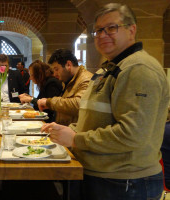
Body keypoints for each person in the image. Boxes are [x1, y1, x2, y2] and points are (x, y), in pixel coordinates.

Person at [41, 3, 170, 200]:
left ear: (131, 30)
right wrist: (69, 130)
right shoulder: (107, 69)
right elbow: (92, 117)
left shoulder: (139, 68)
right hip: (103, 175)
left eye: (111, 28)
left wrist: (75, 139)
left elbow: (132, 134)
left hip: (125, 181)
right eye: (98, 30)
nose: (102, 35)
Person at [37, 49, 93, 126]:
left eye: (56, 69)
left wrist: (49, 102)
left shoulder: (86, 79)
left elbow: (79, 104)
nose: (55, 74)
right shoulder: (67, 80)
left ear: (68, 65)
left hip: (75, 132)